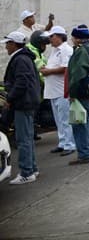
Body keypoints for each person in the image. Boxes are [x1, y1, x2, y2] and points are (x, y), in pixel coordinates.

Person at [2, 31, 40, 184]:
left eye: (8, 44)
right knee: (27, 138)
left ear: (14, 44)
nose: (6, 47)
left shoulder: (20, 59)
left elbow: (21, 82)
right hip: (27, 102)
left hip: (23, 103)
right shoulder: (24, 57)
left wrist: (9, 99)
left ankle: (26, 172)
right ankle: (32, 168)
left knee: (23, 139)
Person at [67, 25, 89, 164]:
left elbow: (77, 74)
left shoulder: (81, 51)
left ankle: (85, 154)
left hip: (82, 91)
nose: (72, 39)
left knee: (79, 122)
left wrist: (73, 93)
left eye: (73, 37)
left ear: (77, 38)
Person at [40, 26, 76, 156]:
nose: (50, 39)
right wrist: (46, 68)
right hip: (53, 91)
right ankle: (62, 142)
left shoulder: (66, 50)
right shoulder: (55, 51)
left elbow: (65, 69)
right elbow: (55, 66)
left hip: (62, 91)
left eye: (52, 36)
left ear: (59, 36)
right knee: (58, 120)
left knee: (65, 119)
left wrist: (48, 71)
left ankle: (70, 144)